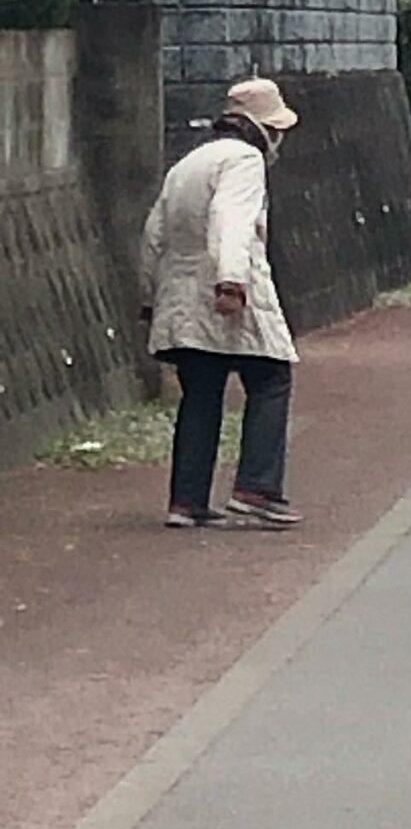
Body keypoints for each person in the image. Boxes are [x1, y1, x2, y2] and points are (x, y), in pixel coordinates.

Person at [140, 78, 301, 529]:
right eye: (276, 130)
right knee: (271, 376)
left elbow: (154, 234)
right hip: (226, 289)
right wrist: (231, 281)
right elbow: (231, 218)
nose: (278, 140)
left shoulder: (189, 163)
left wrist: (150, 297)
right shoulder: (245, 161)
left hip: (179, 293)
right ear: (261, 129)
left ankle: (186, 501)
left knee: (201, 394)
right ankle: (257, 488)